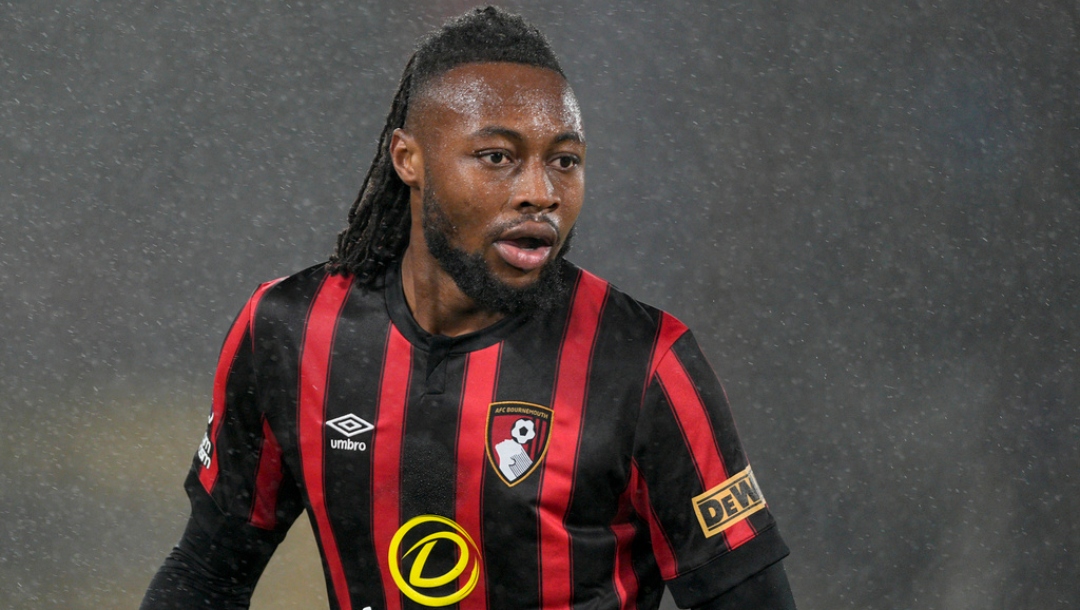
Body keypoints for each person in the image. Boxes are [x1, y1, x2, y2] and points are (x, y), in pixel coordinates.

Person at [141, 6, 796, 610]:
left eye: (564, 161)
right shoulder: (291, 330)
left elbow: (748, 598)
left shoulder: (644, 361)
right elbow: (207, 572)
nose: (540, 191)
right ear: (409, 159)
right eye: (498, 157)